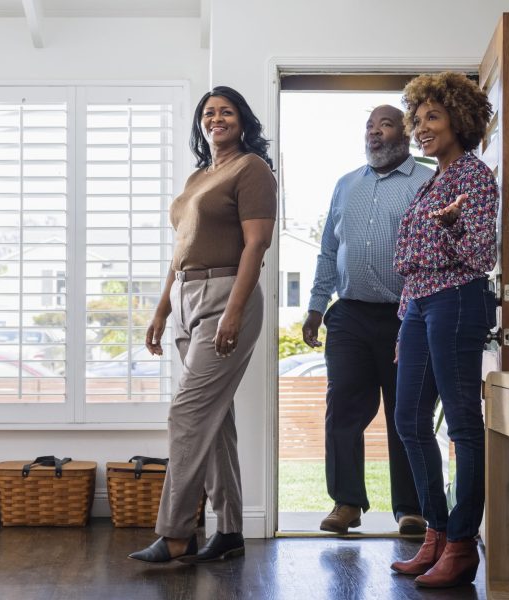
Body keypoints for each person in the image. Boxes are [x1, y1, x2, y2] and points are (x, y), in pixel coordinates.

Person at [128, 86, 277, 564]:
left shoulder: (251, 168)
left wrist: (233, 312)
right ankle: (230, 530)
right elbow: (181, 248)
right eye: (208, 113)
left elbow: (256, 245)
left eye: (226, 111)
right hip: (187, 296)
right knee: (214, 420)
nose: (216, 119)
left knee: (187, 414)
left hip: (226, 293)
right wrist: (161, 308)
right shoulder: (199, 176)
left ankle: (176, 534)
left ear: (242, 120)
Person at [388, 72, 498, 588]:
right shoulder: (433, 181)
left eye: (433, 116)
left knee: (460, 423)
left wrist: (454, 225)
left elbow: (480, 257)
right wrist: (404, 319)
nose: (421, 127)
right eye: (418, 118)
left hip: (457, 300)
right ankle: (434, 533)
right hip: (420, 304)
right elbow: (415, 263)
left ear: (461, 118)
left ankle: (460, 544)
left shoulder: (474, 177)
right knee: (408, 419)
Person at [303, 105, 431, 536]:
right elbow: (327, 251)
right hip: (350, 315)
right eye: (369, 126)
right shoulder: (345, 185)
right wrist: (316, 307)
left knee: (406, 413)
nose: (374, 132)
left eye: (385, 124)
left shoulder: (427, 182)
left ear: (405, 134)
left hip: (406, 315)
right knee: (343, 408)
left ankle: (411, 508)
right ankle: (347, 503)